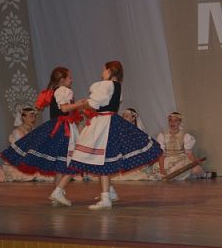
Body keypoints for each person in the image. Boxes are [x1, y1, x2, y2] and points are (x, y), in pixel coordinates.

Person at [62, 61, 163, 210]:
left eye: (104, 70)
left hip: (103, 123)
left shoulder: (105, 85)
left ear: (110, 71)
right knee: (105, 157)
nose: (102, 73)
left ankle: (106, 198)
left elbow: (95, 104)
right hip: (112, 121)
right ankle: (109, 193)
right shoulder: (117, 86)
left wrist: (82, 104)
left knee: (101, 158)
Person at [1, 67, 86, 203]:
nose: (72, 80)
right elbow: (64, 108)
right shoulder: (64, 90)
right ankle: (58, 191)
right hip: (63, 128)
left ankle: (57, 193)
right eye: (70, 77)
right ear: (62, 80)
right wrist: (78, 104)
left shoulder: (54, 91)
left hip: (58, 127)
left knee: (61, 163)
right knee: (74, 160)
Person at [157, 112, 215, 181]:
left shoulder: (185, 136)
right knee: (166, 174)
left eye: (175, 121)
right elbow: (161, 154)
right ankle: (191, 176)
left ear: (180, 122)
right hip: (167, 161)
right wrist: (162, 169)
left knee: (196, 169)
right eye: (170, 120)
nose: (172, 123)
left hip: (181, 160)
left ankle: (203, 174)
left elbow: (189, 153)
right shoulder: (162, 135)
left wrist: (195, 162)